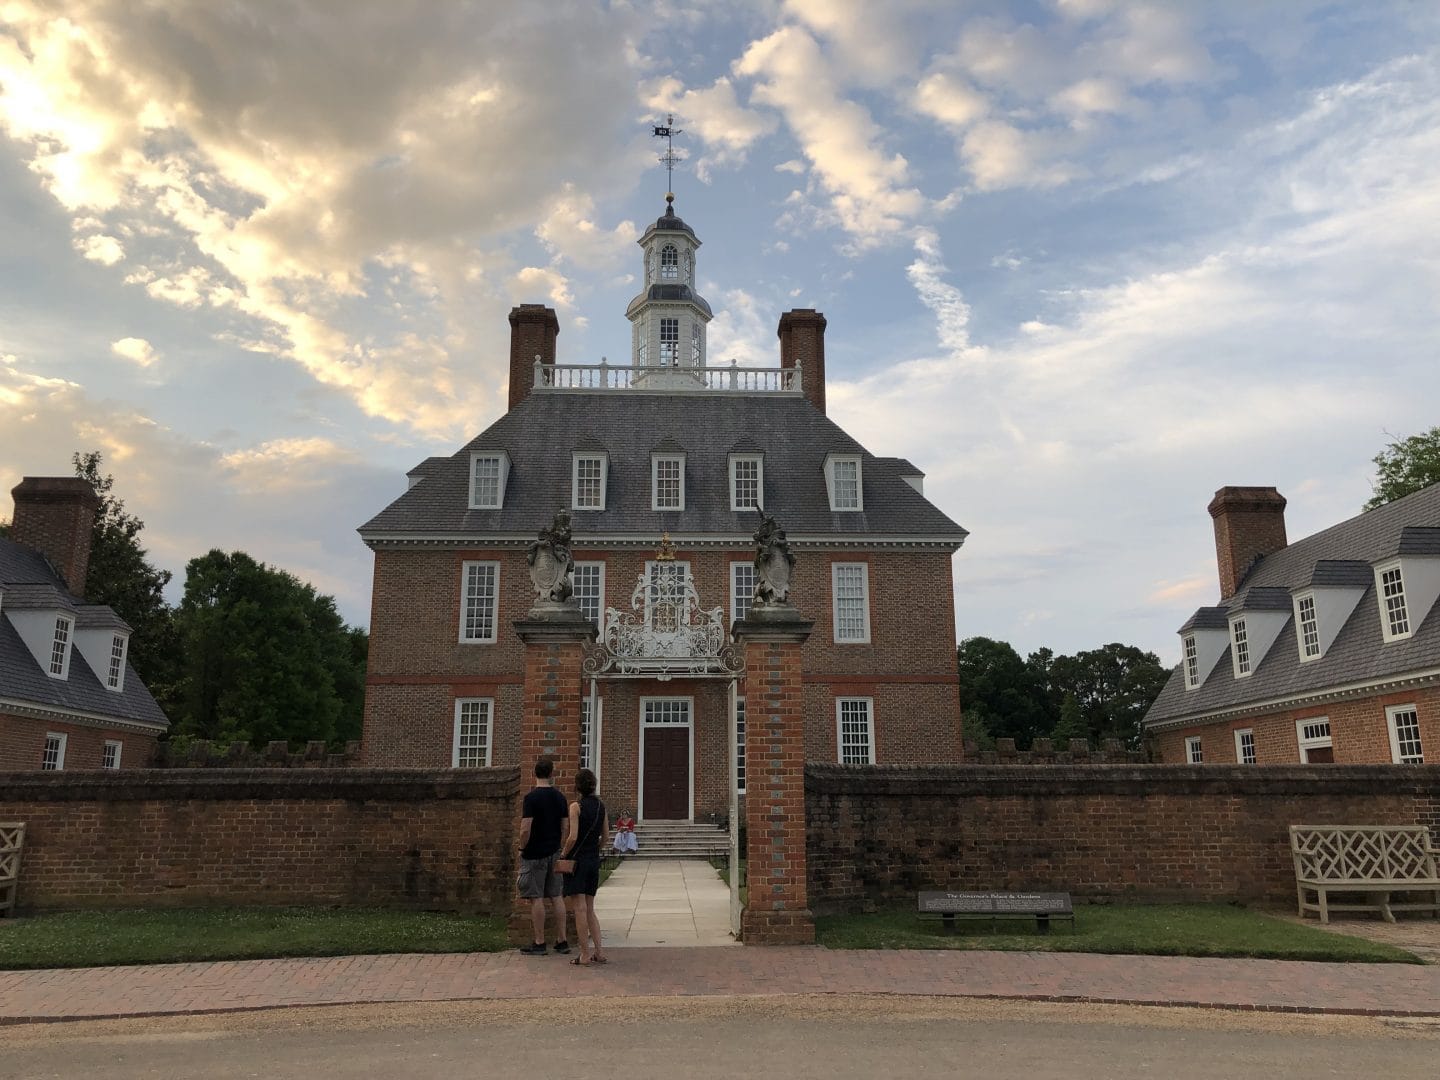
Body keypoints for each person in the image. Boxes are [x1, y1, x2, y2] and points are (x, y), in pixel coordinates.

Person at [516, 756, 571, 956]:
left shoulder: (531, 798)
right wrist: (560, 845)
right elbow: (565, 826)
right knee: (557, 896)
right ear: (551, 774)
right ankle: (562, 940)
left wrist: (522, 847)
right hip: (554, 852)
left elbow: (525, 828)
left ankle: (540, 942)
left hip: (534, 853)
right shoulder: (560, 797)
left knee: (536, 897)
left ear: (535, 774)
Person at [560, 768, 608, 966]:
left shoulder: (575, 807)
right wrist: (594, 849)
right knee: (590, 908)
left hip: (577, 861)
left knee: (579, 908)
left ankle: (584, 954)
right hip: (593, 859)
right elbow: (605, 837)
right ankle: (599, 951)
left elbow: (572, 837)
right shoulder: (601, 806)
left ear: (577, 786)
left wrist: (564, 853)